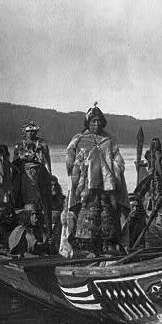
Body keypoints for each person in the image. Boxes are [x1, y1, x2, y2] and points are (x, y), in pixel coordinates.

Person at [61, 103, 129, 258]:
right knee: (87, 214)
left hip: (107, 187)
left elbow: (118, 160)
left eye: (98, 121)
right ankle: (87, 248)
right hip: (86, 187)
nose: (96, 124)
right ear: (88, 123)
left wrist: (116, 170)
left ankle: (107, 246)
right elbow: (71, 160)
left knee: (108, 214)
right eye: (93, 121)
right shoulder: (79, 139)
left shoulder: (109, 140)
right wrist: (77, 169)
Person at [13, 121, 52, 239]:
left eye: (33, 131)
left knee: (42, 202)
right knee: (28, 203)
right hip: (25, 175)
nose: (31, 133)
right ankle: (27, 232)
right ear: (25, 132)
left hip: (40, 173)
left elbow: (47, 161)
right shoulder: (19, 145)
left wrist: (50, 174)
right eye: (29, 131)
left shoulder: (42, 144)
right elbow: (15, 163)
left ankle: (45, 232)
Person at [50, 175, 66, 253]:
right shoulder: (43, 199)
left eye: (55, 185)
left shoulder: (63, 199)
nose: (53, 187)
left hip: (59, 227)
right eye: (51, 185)